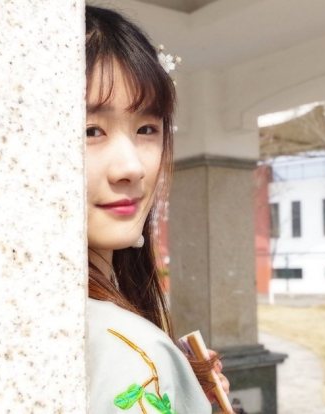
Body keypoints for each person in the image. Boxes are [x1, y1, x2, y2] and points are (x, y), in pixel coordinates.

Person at [84, 6, 230, 413]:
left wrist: (182, 387)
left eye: (147, 129)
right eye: (91, 130)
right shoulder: (132, 352)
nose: (131, 167)